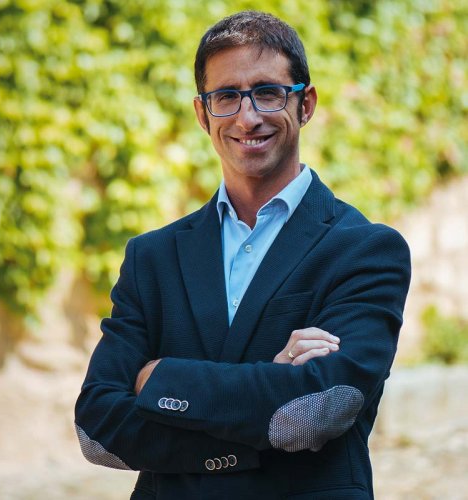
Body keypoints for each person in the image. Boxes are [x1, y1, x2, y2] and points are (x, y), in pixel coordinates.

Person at [75, 11, 411, 500]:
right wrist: (269, 395)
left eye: (268, 92)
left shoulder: (364, 249)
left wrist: (158, 378)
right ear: (202, 113)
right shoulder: (152, 257)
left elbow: (321, 409)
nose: (246, 117)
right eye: (226, 96)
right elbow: (98, 429)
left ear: (306, 103)